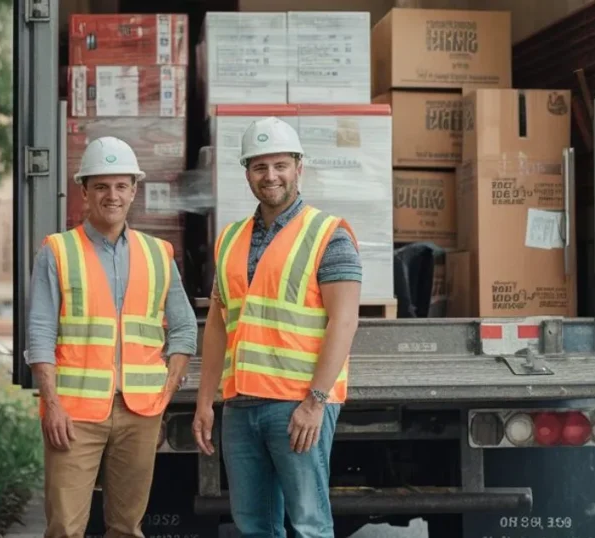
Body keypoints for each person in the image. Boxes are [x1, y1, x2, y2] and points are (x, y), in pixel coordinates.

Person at [191, 117, 362, 537]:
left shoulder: (328, 235)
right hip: (241, 405)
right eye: (260, 166)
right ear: (247, 172)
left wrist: (315, 402)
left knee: (308, 524)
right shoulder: (230, 238)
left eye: (280, 165)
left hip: (296, 405)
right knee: (253, 525)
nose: (271, 176)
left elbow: (345, 320)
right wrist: (204, 401)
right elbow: (218, 323)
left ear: (299, 167)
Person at [25, 135, 198, 538]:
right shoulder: (58, 251)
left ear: (134, 191)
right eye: (101, 186)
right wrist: (51, 404)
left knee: (126, 527)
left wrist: (166, 391)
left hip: (141, 412)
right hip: (74, 414)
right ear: (84, 191)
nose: (112, 195)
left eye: (121, 185)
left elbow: (185, 327)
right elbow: (40, 332)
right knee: (65, 527)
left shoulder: (158, 253)